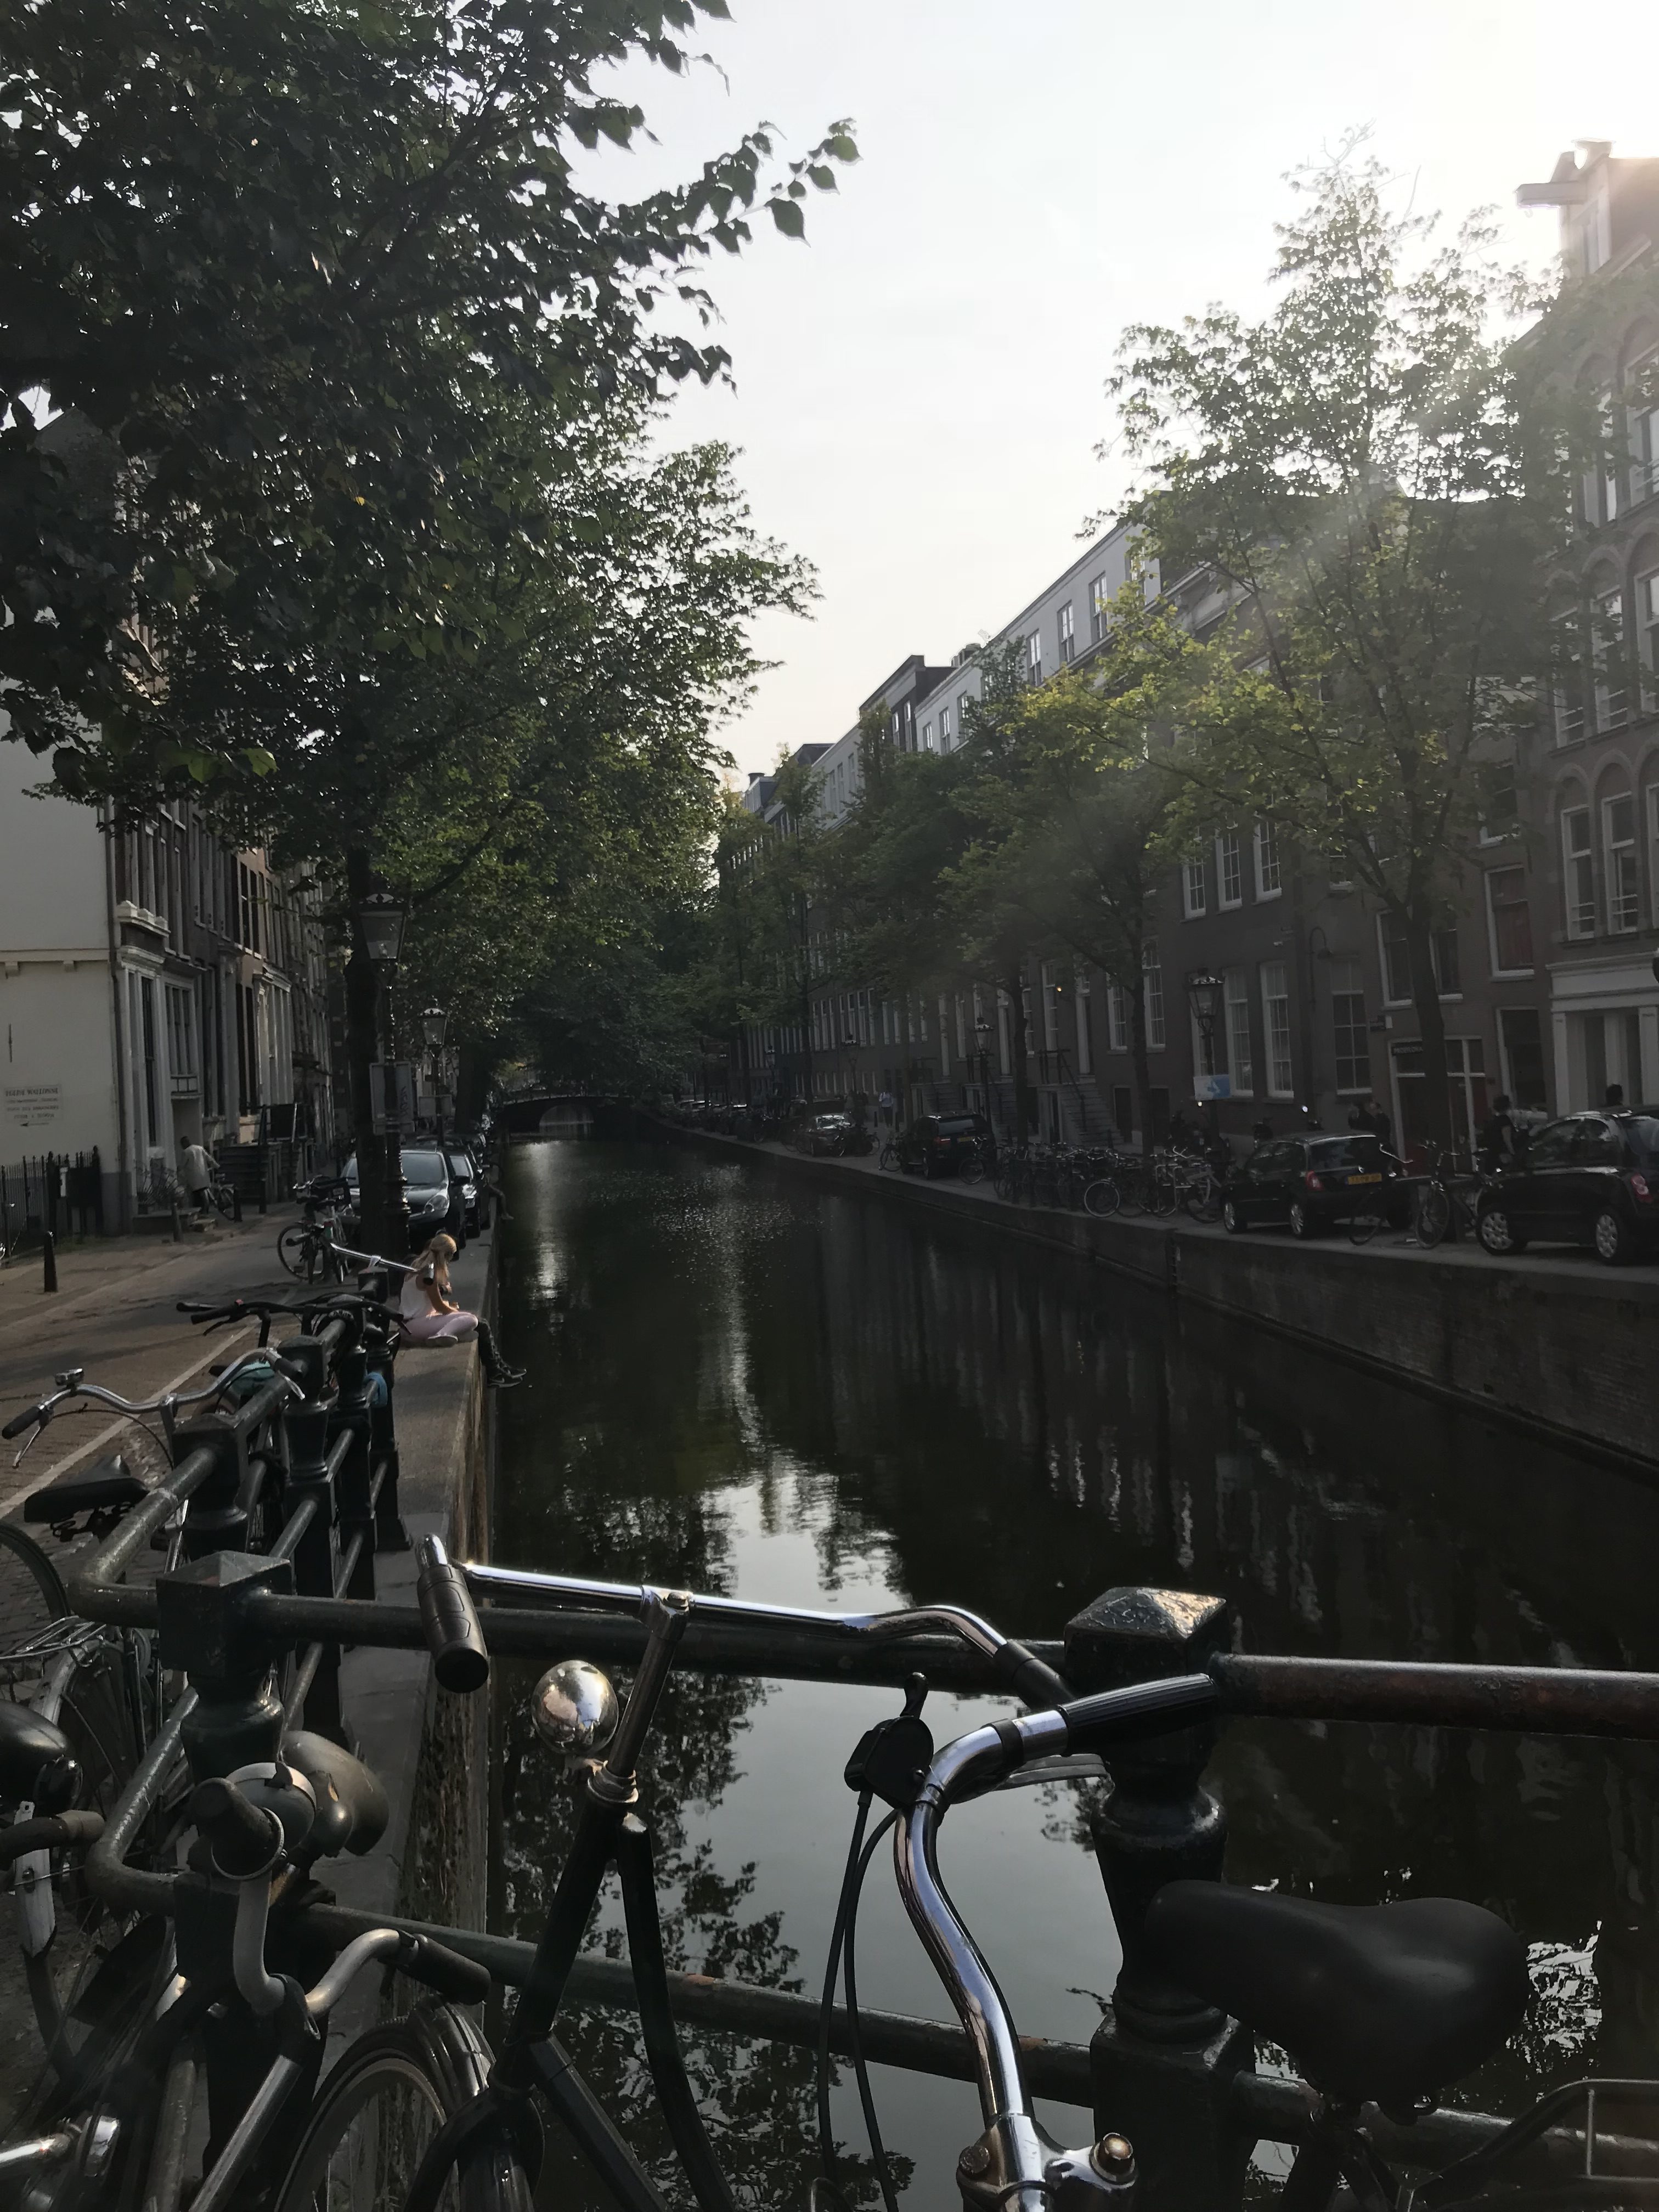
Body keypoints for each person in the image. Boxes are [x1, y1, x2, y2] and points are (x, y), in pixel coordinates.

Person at [399, 1234, 523, 1389]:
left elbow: (426, 1304)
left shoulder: (416, 1266)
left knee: (480, 1324)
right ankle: (442, 1335)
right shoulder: (428, 1274)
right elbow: (440, 1308)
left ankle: (498, 1371)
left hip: (414, 1322)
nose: (449, 1263)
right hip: (414, 1325)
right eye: (450, 1258)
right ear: (445, 1256)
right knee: (472, 1320)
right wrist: (453, 1311)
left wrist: (452, 1309)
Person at [1477, 1093, 1520, 1175]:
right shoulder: (1505, 1120)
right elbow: (1507, 1139)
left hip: (1492, 1153)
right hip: (1502, 1153)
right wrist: (1513, 1153)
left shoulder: (1493, 1120)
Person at [179, 1136, 215, 1214]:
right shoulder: (200, 1148)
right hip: (204, 1176)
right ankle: (205, 1211)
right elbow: (210, 1159)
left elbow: (182, 1165)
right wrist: (217, 1166)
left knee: (196, 1197)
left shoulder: (186, 1152)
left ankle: (198, 1212)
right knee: (203, 1194)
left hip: (194, 1179)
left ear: (185, 1143)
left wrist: (178, 1172)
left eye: (182, 1144)